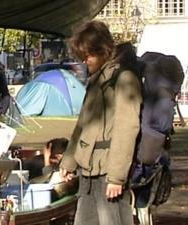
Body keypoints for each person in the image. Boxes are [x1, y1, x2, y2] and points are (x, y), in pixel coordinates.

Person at [59, 21, 142, 225]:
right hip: (88, 172)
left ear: (103, 50)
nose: (85, 61)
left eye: (88, 55)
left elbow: (127, 129)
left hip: (108, 171)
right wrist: (69, 161)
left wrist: (116, 177)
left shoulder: (124, 79)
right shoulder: (98, 79)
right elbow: (83, 124)